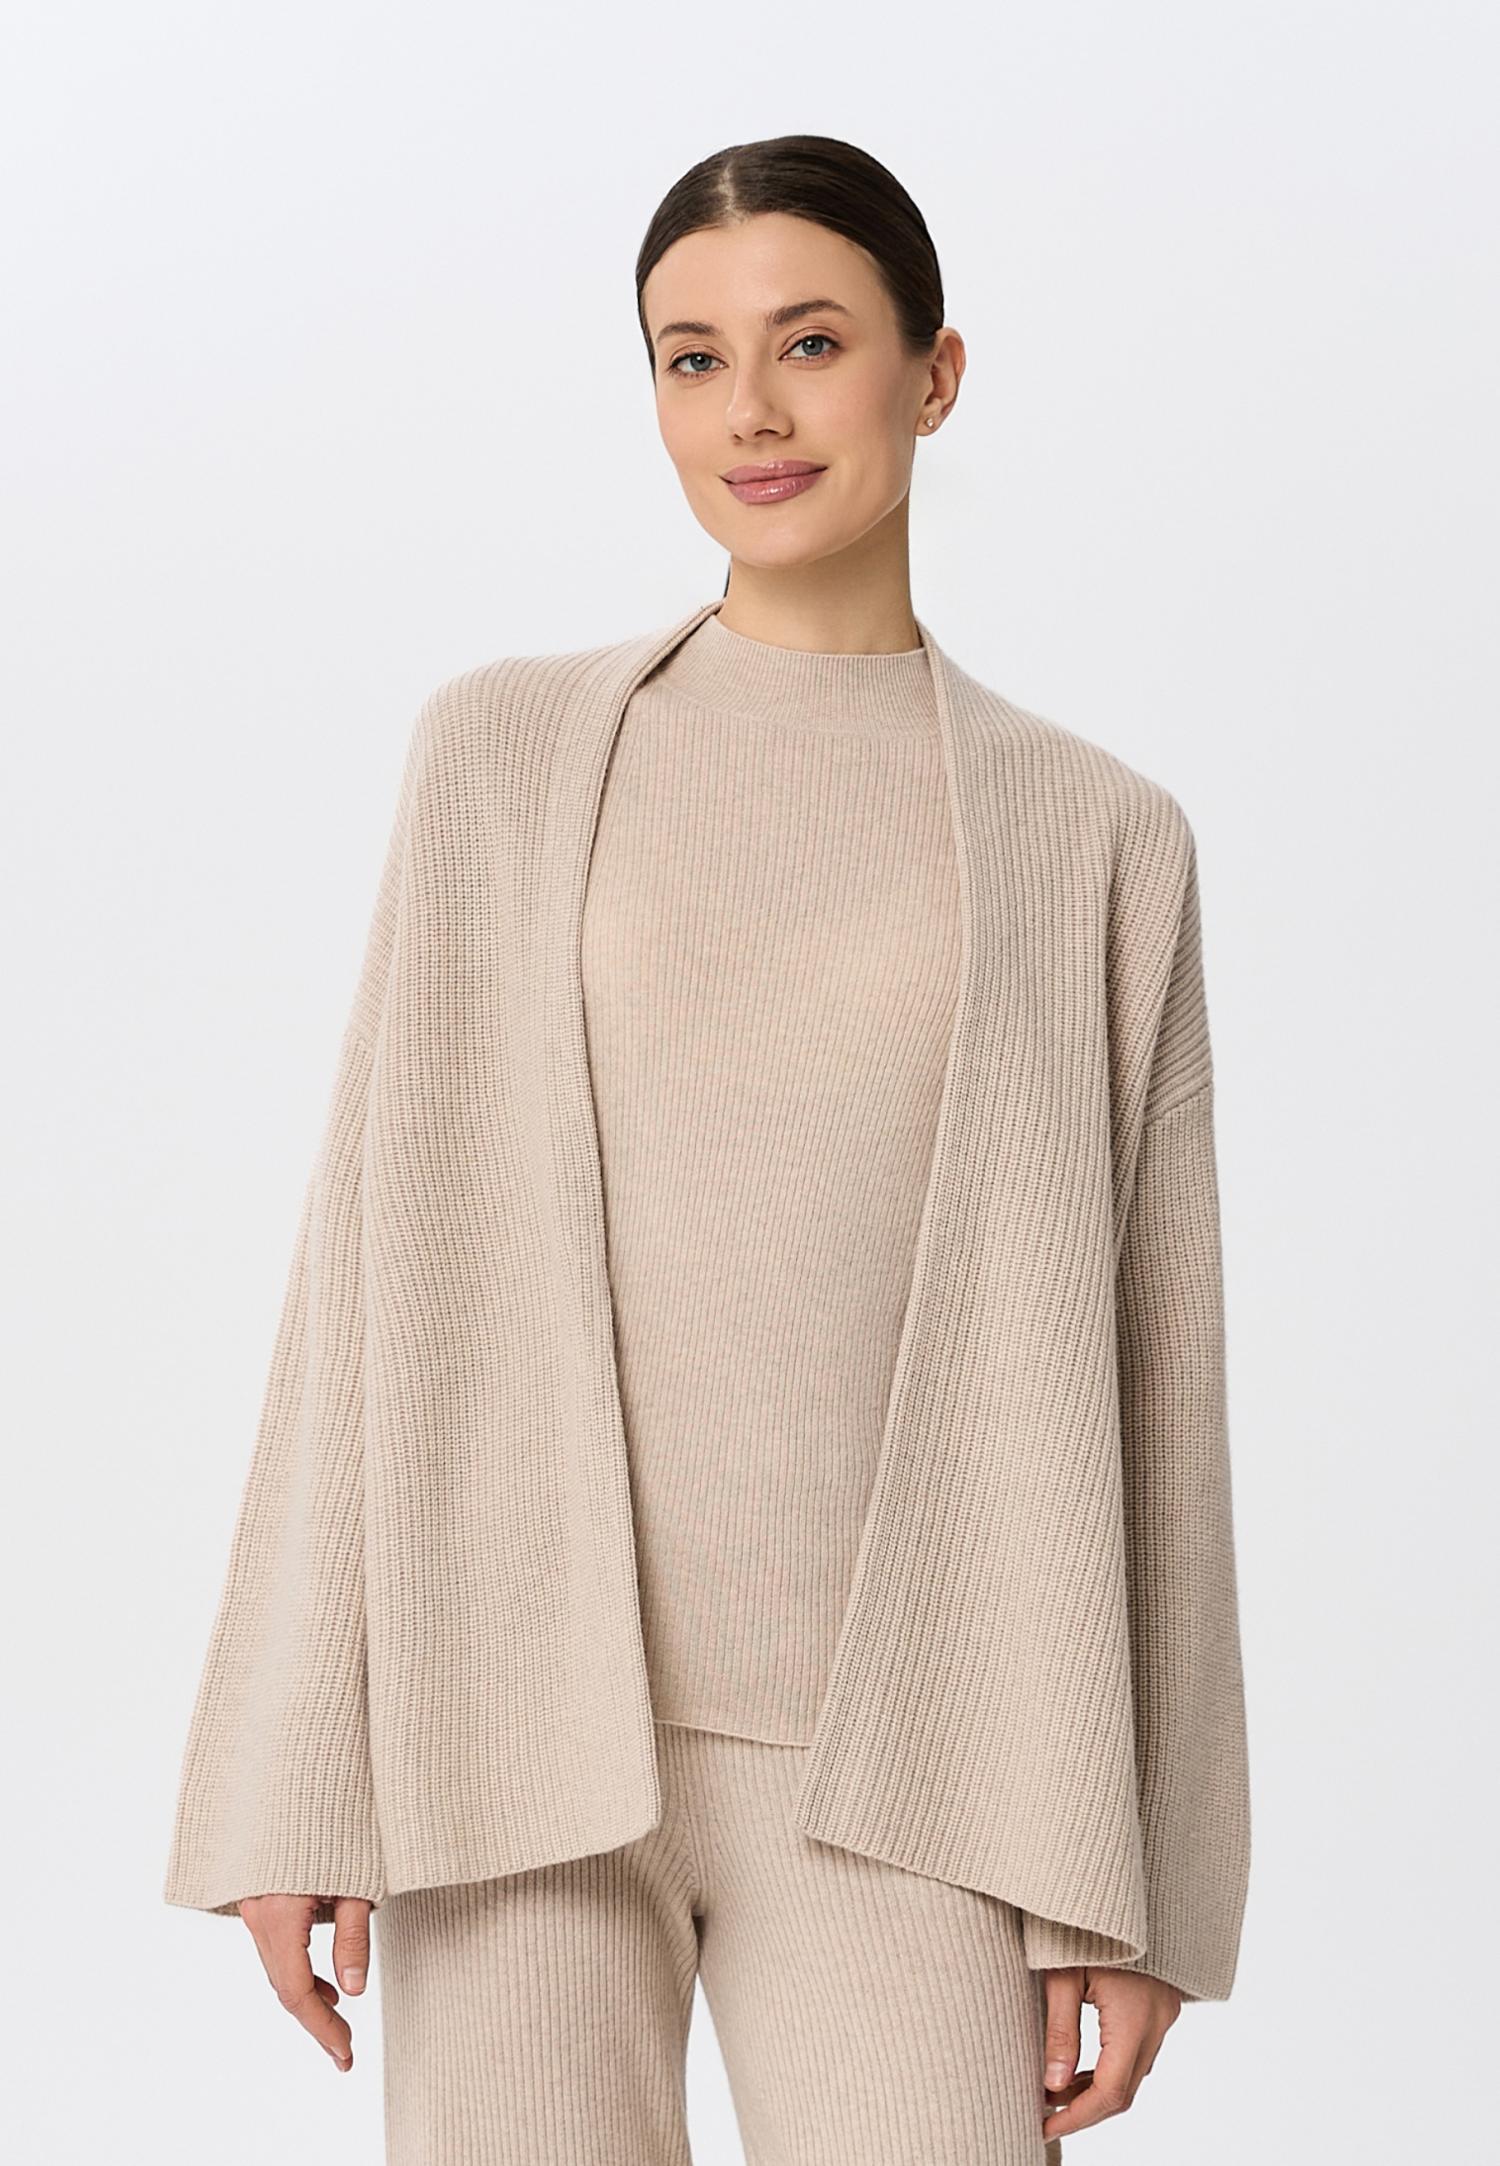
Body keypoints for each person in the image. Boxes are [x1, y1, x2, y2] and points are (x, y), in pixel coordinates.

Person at [164, 134, 1251, 2165]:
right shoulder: (504, 755)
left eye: (810, 343)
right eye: (691, 357)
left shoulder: (1097, 839)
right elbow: (370, 1272)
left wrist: (1144, 1883)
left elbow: (1156, 1382)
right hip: (517, 1741)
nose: (748, 409)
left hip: (922, 1770)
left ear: (934, 374)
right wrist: (296, 1765)